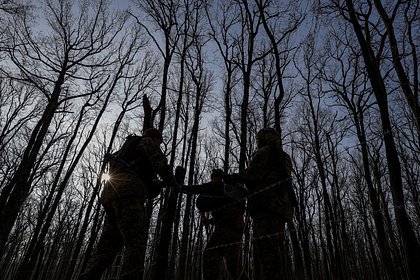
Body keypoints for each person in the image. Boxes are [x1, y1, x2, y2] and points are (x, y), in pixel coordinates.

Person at [79, 127, 178, 280]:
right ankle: (130, 276)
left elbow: (140, 174)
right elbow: (159, 163)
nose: (159, 145)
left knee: (109, 241)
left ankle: (90, 275)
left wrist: (154, 185)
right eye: (159, 142)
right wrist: (172, 181)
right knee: (135, 240)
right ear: (154, 138)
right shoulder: (146, 141)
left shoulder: (125, 150)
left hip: (111, 195)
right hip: (129, 194)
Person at [224, 127, 295, 280]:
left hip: (265, 207)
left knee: (267, 254)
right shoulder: (285, 157)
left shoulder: (264, 152)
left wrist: (232, 177)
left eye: (258, 140)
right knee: (276, 251)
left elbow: (253, 174)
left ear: (265, 139)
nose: (257, 143)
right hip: (281, 210)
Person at [181, 169, 249, 280]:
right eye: (213, 178)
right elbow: (197, 189)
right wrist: (211, 221)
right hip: (231, 225)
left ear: (221, 179)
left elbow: (236, 207)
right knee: (233, 264)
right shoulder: (210, 189)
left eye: (218, 177)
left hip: (232, 225)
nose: (215, 180)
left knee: (210, 255)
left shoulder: (226, 188)